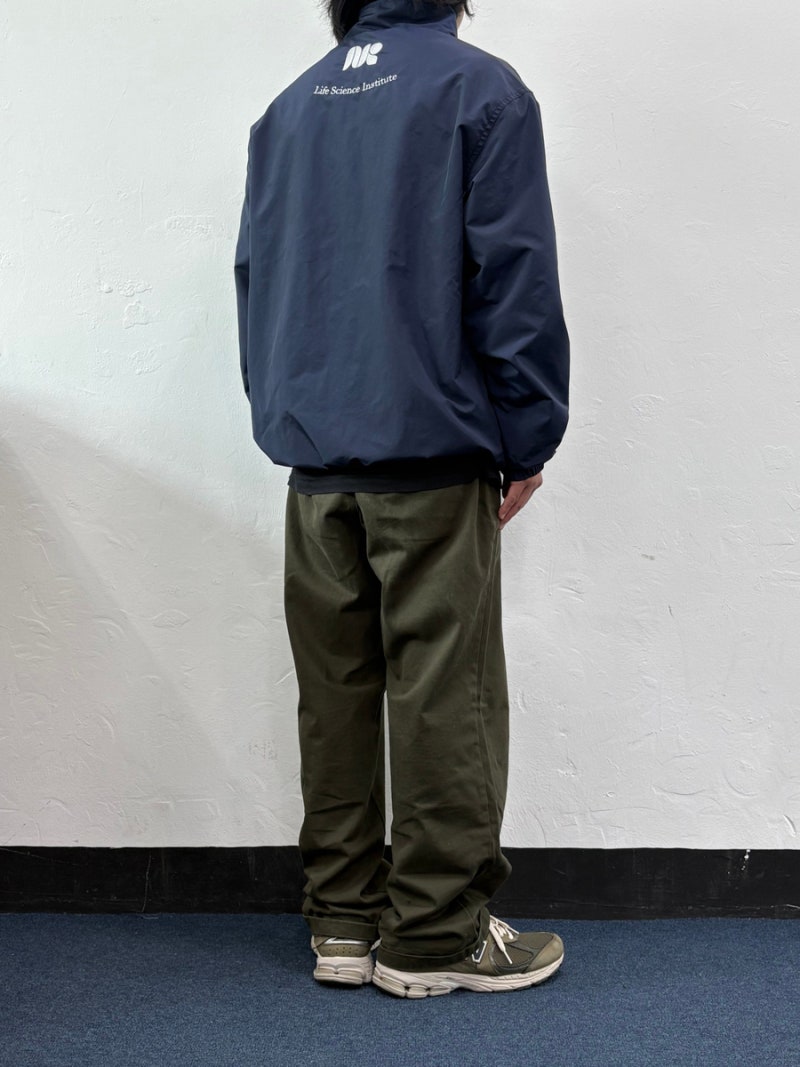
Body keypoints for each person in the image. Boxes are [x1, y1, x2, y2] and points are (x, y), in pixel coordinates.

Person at [234, 0, 570, 997]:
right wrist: (527, 435)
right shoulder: (479, 91)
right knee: (443, 695)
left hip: (315, 467)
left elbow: (258, 282)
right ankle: (433, 935)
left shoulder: (288, 109)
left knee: (334, 693)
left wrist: (291, 415)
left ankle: (341, 920)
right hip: (427, 455)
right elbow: (512, 276)